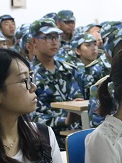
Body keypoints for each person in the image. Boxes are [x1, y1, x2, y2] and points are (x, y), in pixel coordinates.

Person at [29, 18, 83, 149]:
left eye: (56, 37)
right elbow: (31, 115)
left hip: (75, 134)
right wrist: (64, 121)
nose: (54, 42)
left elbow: (79, 101)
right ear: (34, 41)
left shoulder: (70, 70)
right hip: (45, 138)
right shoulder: (28, 75)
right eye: (48, 37)